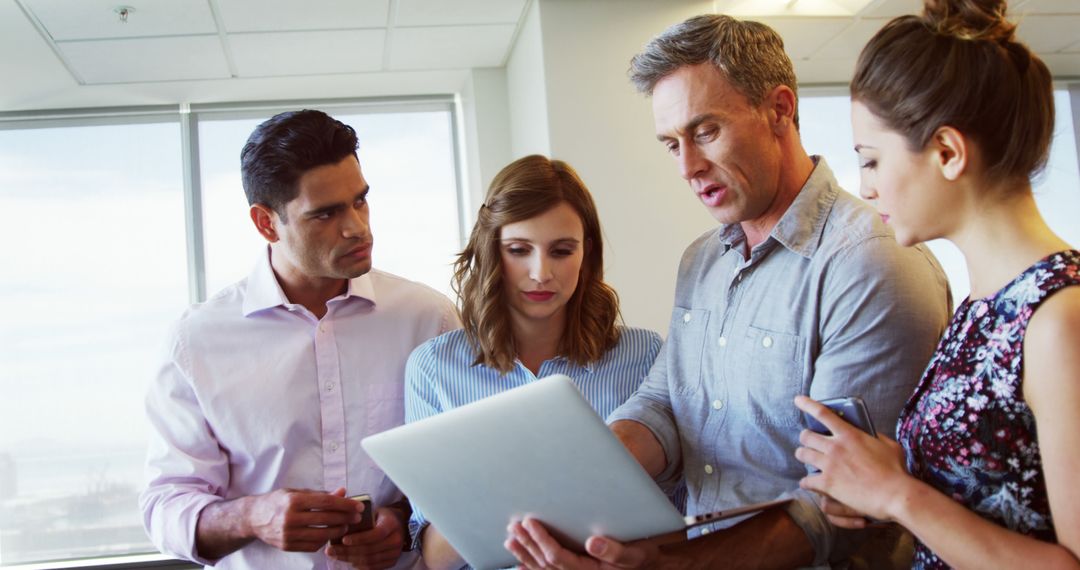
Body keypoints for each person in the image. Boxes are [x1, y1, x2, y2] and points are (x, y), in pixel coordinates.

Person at [505, 14, 953, 569]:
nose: (688, 167)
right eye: (671, 144)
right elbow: (667, 400)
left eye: (705, 131)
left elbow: (840, 509)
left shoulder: (871, 262)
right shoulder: (702, 261)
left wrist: (669, 565)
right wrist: (601, 462)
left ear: (779, 110)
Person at [793, 1, 1080, 568]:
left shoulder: (1059, 320)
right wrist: (886, 479)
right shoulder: (982, 304)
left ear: (947, 153)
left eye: (871, 160)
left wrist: (897, 494)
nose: (866, 187)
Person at [139, 109, 459, 570]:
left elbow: (464, 469)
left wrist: (404, 520)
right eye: (326, 213)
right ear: (267, 223)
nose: (357, 227)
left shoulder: (428, 318)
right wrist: (252, 516)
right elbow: (165, 506)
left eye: (360, 201)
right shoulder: (196, 341)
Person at [404, 155, 668, 569]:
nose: (541, 273)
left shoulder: (644, 355)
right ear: (492, 251)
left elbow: (677, 524)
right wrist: (511, 486)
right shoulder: (433, 368)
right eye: (518, 250)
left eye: (562, 251)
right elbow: (435, 557)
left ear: (587, 253)